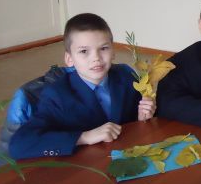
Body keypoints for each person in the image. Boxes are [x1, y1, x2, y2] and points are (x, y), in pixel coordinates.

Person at [9, 13, 155, 159]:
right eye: (84, 51)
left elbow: (132, 124)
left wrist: (141, 117)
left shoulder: (126, 76)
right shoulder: (57, 95)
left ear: (113, 52)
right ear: (69, 59)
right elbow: (19, 146)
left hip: (125, 158)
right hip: (85, 165)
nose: (96, 58)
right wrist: (84, 137)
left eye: (103, 48)